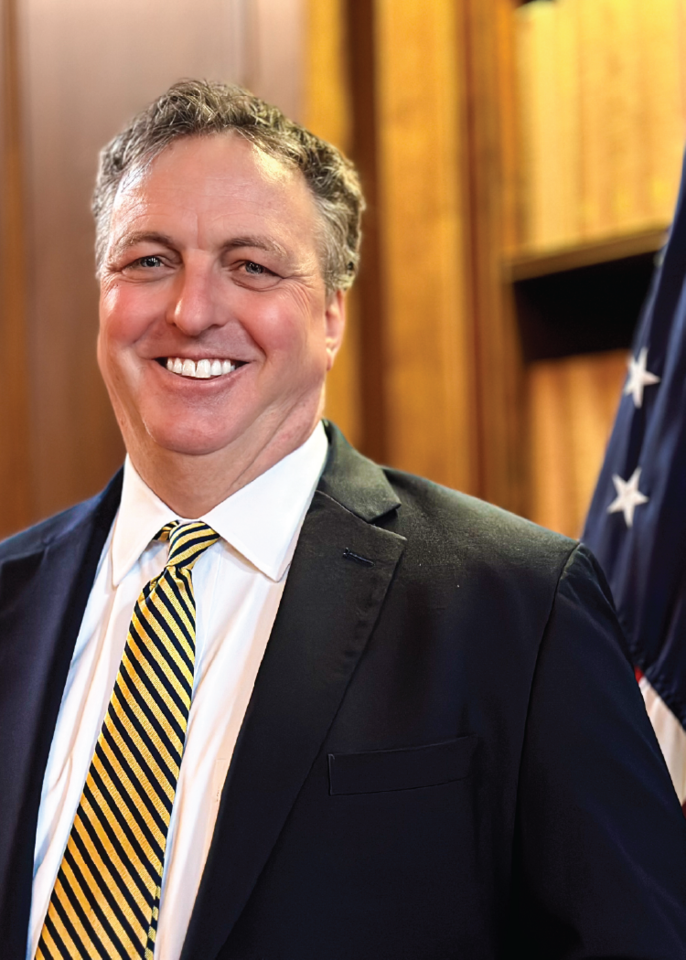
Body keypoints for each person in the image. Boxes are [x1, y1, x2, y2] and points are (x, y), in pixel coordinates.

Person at [0, 80, 685, 960]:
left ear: (331, 315)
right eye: (148, 261)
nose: (191, 310)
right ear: (103, 294)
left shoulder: (519, 607)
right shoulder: (12, 602)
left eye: (252, 265)